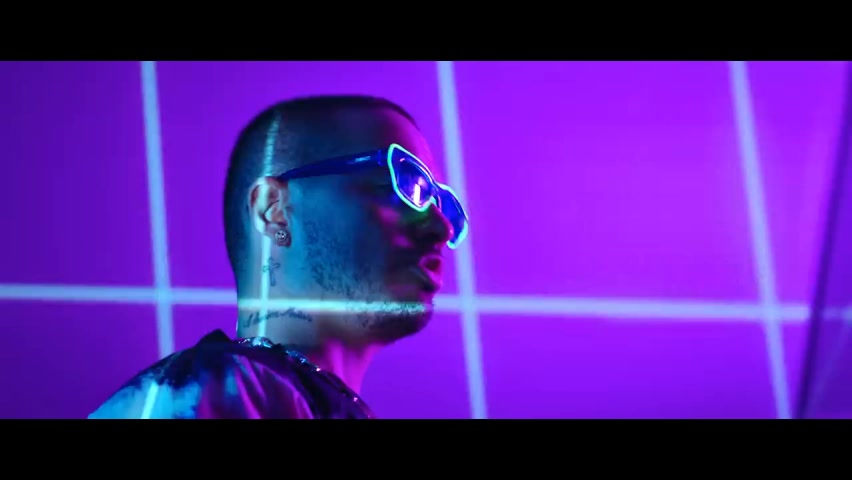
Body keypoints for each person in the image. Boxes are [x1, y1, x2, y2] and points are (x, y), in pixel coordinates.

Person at [88, 94, 469, 419]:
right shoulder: (205, 392)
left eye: (444, 205)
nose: (442, 228)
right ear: (274, 210)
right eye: (408, 185)